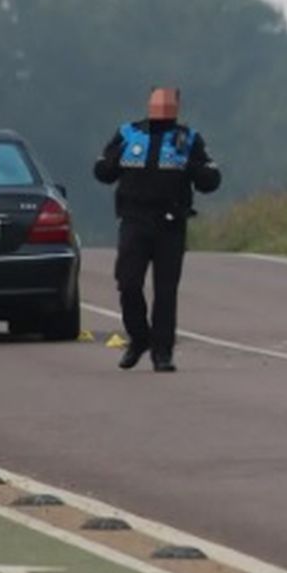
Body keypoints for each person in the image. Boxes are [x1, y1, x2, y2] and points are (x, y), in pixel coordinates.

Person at [93, 86, 222, 373]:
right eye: (157, 101)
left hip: (170, 224)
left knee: (165, 291)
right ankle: (139, 338)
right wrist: (112, 160)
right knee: (128, 282)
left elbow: (211, 180)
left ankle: (162, 352)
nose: (162, 107)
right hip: (134, 221)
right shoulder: (128, 133)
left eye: (168, 103)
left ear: (176, 107)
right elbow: (103, 171)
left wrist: (191, 166)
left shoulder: (188, 139)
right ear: (149, 103)